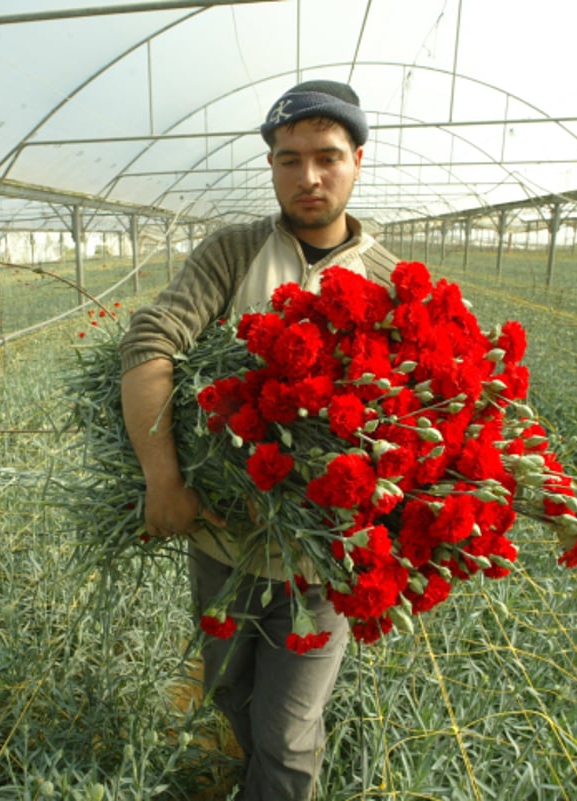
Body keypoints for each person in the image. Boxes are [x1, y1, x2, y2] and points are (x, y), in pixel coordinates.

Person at [118, 80, 399, 800]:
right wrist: (164, 481)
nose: (308, 176)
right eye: (289, 158)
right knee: (226, 689)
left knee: (289, 731)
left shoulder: (392, 285)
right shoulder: (235, 252)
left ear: (359, 160)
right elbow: (152, 341)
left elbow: (413, 431)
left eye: (327, 157)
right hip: (223, 540)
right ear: (271, 165)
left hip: (325, 558)